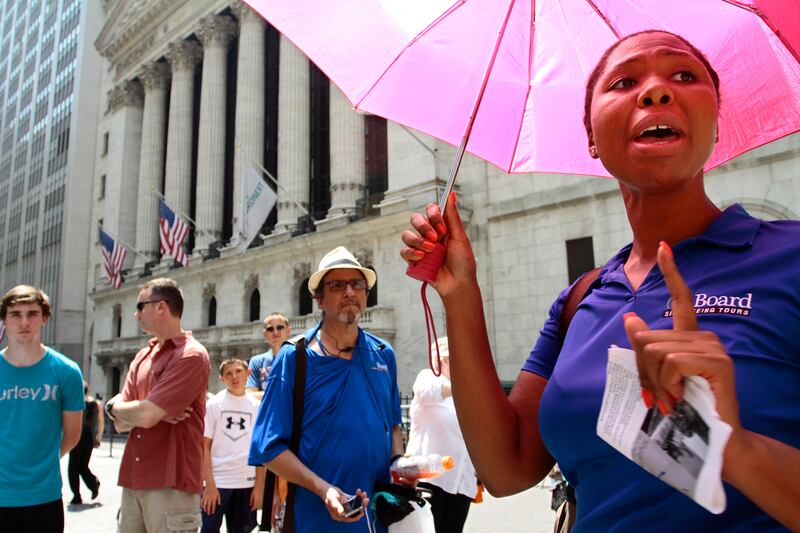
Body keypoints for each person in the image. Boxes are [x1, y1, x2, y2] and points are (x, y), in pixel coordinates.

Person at [401, 30, 800, 531]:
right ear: (590, 135)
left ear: (717, 123)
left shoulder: (790, 256)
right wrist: (460, 295)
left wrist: (733, 448)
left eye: (683, 75)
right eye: (624, 81)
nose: (656, 92)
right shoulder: (580, 299)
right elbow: (507, 469)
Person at [249, 246, 404, 532]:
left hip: (379, 520)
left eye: (357, 284)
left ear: (366, 294)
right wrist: (322, 489)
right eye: (337, 285)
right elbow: (268, 448)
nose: (349, 292)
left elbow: (393, 424)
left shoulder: (384, 353)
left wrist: (399, 463)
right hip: (316, 519)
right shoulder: (293, 358)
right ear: (319, 298)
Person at [105, 277, 210, 533]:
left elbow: (149, 415)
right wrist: (115, 407)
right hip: (133, 479)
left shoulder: (191, 355)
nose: (136, 313)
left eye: (141, 306)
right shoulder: (142, 356)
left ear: (161, 307)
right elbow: (119, 424)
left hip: (171, 484)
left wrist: (142, 410)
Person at [0, 285, 84, 533]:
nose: (24, 321)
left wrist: (41, 460)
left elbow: (72, 435)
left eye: (32, 313)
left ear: (45, 318)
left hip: (44, 496)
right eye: (15, 314)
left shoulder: (67, 372)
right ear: (4, 319)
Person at [406, 337, 477, 532]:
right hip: (431, 479)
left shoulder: (469, 389)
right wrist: (462, 387)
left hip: (462, 481)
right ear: (440, 361)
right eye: (450, 359)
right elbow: (426, 393)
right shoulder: (428, 377)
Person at [202, 358, 264, 533]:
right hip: (218, 482)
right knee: (209, 528)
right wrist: (209, 484)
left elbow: (258, 449)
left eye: (238, 371)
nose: (234, 377)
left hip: (246, 481)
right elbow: (204, 446)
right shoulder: (214, 405)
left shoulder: (257, 406)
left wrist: (258, 486)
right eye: (228, 374)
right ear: (222, 379)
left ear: (248, 374)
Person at [68, 381, 104, 504]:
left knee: (73, 468)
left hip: (77, 437)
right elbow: (100, 421)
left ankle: (77, 495)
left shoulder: (75, 401)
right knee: (83, 465)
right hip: (89, 438)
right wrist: (99, 436)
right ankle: (93, 484)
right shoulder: (96, 403)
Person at [246, 312, 291, 400]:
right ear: (265, 334)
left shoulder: (301, 358)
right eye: (270, 329)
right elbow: (250, 395)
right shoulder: (256, 362)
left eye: (280, 327)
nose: (275, 332)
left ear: (288, 331)